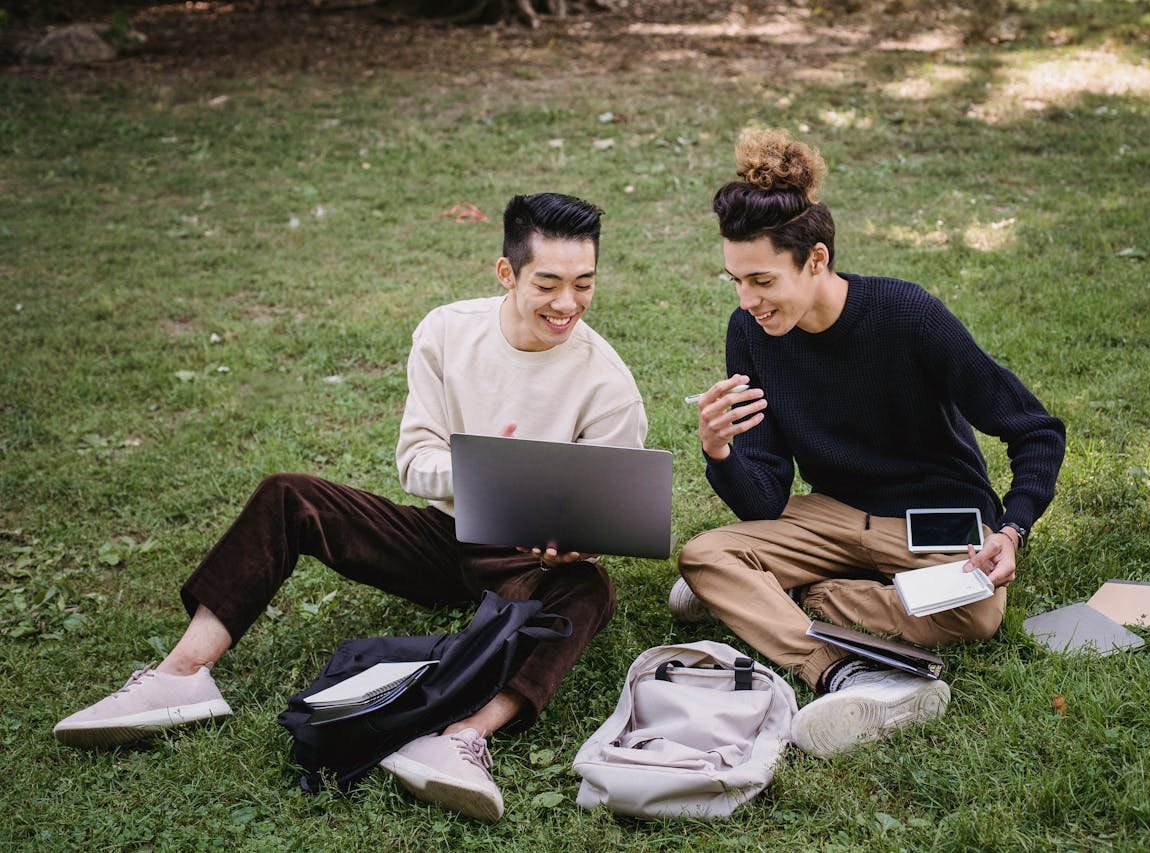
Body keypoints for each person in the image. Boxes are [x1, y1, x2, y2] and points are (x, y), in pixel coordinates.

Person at [54, 192, 647, 822]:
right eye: (548, 283)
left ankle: (464, 738)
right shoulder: (448, 332)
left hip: (528, 559)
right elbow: (415, 462)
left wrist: (577, 539)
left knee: (589, 588)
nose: (567, 304)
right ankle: (182, 674)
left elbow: (603, 513)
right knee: (289, 494)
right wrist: (487, 475)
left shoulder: (608, 385)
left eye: (584, 284)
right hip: (444, 533)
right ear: (507, 273)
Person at [672, 129, 1066, 758]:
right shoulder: (749, 332)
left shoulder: (908, 315)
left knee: (978, 615)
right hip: (830, 512)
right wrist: (721, 452)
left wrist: (1012, 529)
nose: (748, 301)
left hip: (935, 518)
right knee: (703, 557)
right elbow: (766, 497)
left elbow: (1034, 429)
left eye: (762, 281)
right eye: (736, 282)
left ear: (817, 259)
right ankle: (839, 670)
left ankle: (804, 593)